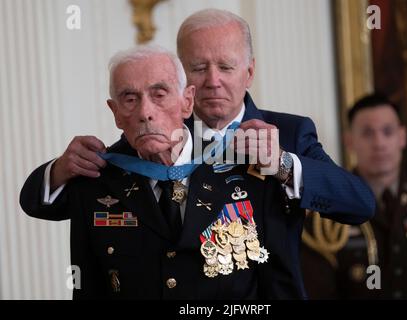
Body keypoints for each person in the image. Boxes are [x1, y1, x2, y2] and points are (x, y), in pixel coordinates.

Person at [26, 9, 374, 226]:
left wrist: (282, 164)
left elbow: (359, 205)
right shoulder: (152, 139)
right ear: (182, 82)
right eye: (197, 68)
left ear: (249, 72)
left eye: (225, 66)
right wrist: (58, 171)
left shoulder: (291, 132)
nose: (212, 80)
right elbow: (44, 204)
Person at [21, 45, 310, 299]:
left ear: (187, 101)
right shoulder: (96, 179)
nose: (145, 111)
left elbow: (279, 282)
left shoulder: (246, 166)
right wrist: (58, 168)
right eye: (130, 99)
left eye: (159, 94)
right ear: (115, 112)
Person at [301, 93, 407, 299]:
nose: (379, 143)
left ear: (402, 137)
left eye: (388, 132)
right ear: (349, 141)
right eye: (367, 133)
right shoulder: (325, 209)